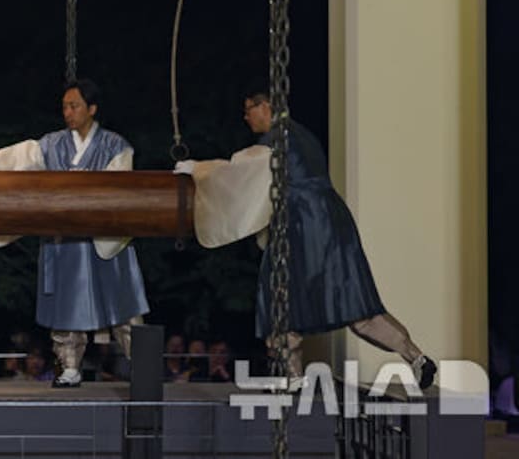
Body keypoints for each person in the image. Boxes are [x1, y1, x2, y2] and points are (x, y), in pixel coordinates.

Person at [177, 91, 437, 389]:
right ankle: (416, 358)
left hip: (302, 224)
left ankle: (294, 379)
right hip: (333, 222)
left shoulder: (277, 139)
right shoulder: (303, 136)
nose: (245, 117)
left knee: (280, 301)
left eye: (248, 109)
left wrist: (197, 169)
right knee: (359, 310)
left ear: (266, 107)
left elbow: (238, 172)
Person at [0, 79, 149, 387]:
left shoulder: (116, 146)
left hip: (103, 239)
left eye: (74, 106)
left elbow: (120, 187)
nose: (68, 112)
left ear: (92, 109)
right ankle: (70, 365)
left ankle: (141, 366)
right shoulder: (52, 144)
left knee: (122, 304)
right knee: (66, 305)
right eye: (64, 106)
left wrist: (85, 184)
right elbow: (17, 158)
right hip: (65, 241)